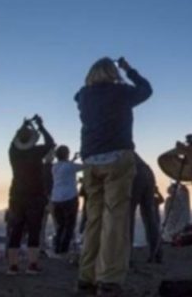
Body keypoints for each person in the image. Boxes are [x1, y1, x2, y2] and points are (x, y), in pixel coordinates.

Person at [76, 57, 152, 297]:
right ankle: (108, 280)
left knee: (94, 220)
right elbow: (146, 90)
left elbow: (79, 99)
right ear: (112, 72)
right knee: (115, 219)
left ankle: (86, 278)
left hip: (90, 161)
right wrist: (129, 70)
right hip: (117, 157)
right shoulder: (120, 92)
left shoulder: (82, 96)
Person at [6, 115, 56, 275]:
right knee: (34, 229)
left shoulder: (12, 152)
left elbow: (15, 140)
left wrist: (22, 127)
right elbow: (51, 143)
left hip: (16, 196)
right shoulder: (36, 152)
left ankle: (13, 266)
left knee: (16, 230)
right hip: (35, 196)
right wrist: (40, 126)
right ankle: (32, 265)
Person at [52, 145, 85, 255]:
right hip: (70, 198)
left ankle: (57, 249)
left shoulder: (54, 167)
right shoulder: (70, 166)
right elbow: (86, 166)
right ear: (67, 154)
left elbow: (65, 167)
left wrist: (73, 159)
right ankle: (64, 250)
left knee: (60, 226)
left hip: (56, 199)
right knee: (70, 225)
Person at [130, 154, 163, 263]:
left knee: (127, 217)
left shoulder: (115, 149)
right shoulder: (127, 148)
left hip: (134, 174)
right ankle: (156, 253)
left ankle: (126, 257)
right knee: (150, 217)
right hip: (148, 173)